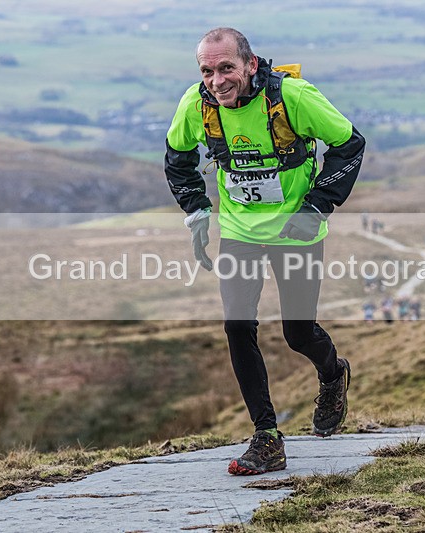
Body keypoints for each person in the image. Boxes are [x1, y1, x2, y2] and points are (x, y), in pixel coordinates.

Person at [164, 28, 365, 475]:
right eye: (207, 71)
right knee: (238, 325)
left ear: (251, 65)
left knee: (298, 333)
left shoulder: (293, 98)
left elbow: (350, 145)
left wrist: (317, 206)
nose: (217, 81)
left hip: (297, 233)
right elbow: (177, 157)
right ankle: (266, 436)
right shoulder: (195, 106)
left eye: (226, 68)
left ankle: (333, 374)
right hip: (240, 233)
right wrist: (196, 210)